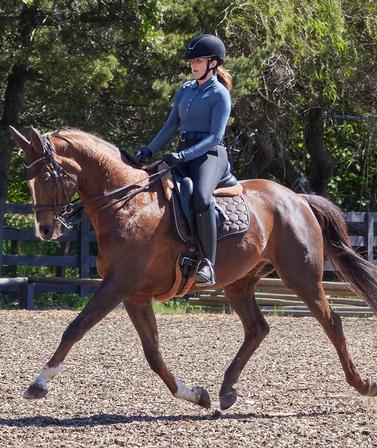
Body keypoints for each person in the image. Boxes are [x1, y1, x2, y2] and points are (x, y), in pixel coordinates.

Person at [134, 34, 232, 287]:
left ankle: (208, 263)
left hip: (210, 155)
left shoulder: (220, 94)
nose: (193, 64)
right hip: (183, 151)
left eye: (198, 60)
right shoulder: (185, 90)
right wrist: (148, 150)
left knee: (200, 196)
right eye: (192, 60)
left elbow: (215, 137)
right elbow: (169, 127)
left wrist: (184, 155)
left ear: (213, 63)